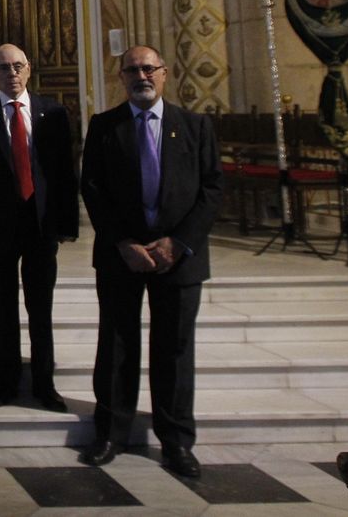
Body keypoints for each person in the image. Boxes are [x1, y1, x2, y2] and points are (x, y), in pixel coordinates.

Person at [79, 45, 222, 478]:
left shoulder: (195, 126)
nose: (141, 76)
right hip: (122, 254)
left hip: (179, 257)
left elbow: (212, 189)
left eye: (148, 69)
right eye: (132, 70)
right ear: (120, 76)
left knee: (174, 351)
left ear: (164, 74)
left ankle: (177, 441)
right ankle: (111, 434)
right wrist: (122, 241)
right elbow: (93, 188)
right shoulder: (104, 126)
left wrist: (178, 243)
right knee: (117, 346)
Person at [0, 43, 77, 412]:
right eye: (4, 68)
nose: (11, 73)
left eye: (17, 66)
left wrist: (66, 224)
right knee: (2, 308)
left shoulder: (52, 112)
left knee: (41, 309)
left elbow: (64, 173)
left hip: (40, 226)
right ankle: (4, 383)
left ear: (29, 69)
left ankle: (45, 384)